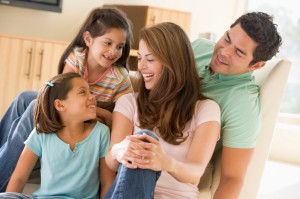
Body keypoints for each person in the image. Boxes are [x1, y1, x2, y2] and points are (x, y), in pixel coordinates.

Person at [0, 7, 133, 192]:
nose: (113, 51)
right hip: (73, 106)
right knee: (24, 97)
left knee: (33, 106)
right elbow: (62, 94)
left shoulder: (120, 78)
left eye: (120, 46)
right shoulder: (78, 57)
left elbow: (119, 117)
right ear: (88, 39)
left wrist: (98, 111)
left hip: (89, 114)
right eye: (108, 43)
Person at [104, 22, 221, 198]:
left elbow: (196, 171)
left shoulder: (206, 109)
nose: (141, 67)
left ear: (174, 62)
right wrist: (119, 150)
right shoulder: (128, 102)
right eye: (140, 58)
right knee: (144, 140)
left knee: (146, 142)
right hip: (126, 191)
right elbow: (111, 163)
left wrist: (165, 162)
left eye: (150, 59)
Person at [192, 12, 282, 198]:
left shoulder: (243, 105)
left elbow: (232, 178)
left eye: (239, 52)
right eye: (227, 39)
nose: (224, 52)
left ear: (256, 66)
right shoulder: (199, 47)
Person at [0, 72, 115, 199]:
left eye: (90, 92)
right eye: (83, 92)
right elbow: (19, 178)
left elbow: (107, 183)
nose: (92, 97)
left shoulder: (101, 133)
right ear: (60, 105)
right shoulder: (41, 133)